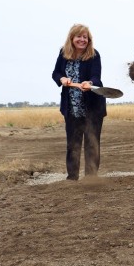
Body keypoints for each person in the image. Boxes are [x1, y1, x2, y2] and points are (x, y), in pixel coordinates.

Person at [52, 24, 107, 180]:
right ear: (72, 38)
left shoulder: (94, 55)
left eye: (85, 37)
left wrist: (90, 83)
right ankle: (72, 177)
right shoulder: (63, 53)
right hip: (71, 107)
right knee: (72, 143)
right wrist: (62, 78)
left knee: (92, 143)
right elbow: (56, 72)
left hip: (92, 106)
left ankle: (91, 177)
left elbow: (97, 76)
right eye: (79, 36)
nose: (82, 40)